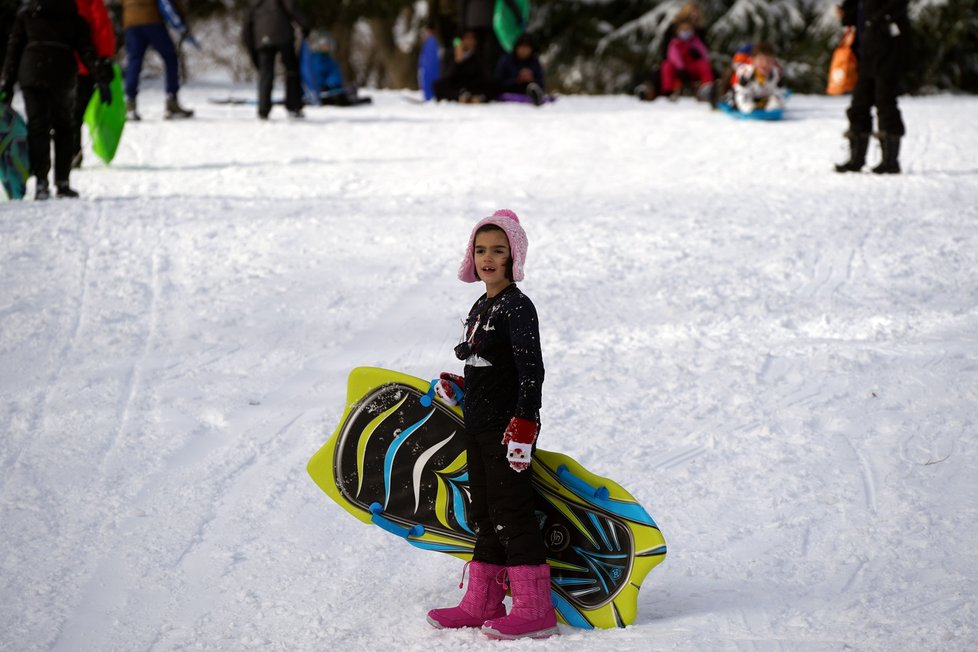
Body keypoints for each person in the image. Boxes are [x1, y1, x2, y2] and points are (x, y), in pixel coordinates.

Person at [426, 209, 558, 641]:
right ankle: (482, 602)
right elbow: (493, 366)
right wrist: (463, 385)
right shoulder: (483, 304)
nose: (487, 258)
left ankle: (535, 609)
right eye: (480, 249)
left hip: (507, 430)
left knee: (512, 512)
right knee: (484, 512)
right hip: (478, 425)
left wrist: (524, 423)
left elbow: (529, 370)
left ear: (512, 257)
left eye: (497, 250)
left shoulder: (518, 307)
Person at [1, 0, 113, 200]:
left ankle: (41, 183)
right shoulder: (73, 16)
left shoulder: (28, 14)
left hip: (32, 73)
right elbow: (87, 51)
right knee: (63, 128)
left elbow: (14, 49)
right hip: (61, 74)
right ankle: (62, 182)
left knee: (37, 128)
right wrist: (101, 79)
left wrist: (7, 84)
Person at [834, 0, 910, 174]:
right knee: (859, 103)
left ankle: (890, 161)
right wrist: (844, 14)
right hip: (864, 51)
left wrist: (877, 21)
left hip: (888, 49)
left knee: (885, 102)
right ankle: (856, 159)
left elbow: (898, 6)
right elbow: (853, 13)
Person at [121, 0, 194, 120]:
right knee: (170, 57)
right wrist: (182, 20)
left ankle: (130, 103)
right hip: (151, 20)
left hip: (131, 23)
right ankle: (172, 100)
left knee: (134, 61)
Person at [242, 0, 309, 120]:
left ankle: (263, 110)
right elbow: (291, 6)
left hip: (261, 38)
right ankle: (293, 106)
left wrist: (252, 47)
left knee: (265, 74)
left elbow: (247, 24)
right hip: (283, 34)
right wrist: (305, 25)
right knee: (291, 70)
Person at [72, 0, 117, 169]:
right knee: (76, 114)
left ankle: (70, 153)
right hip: (86, 66)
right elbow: (102, 28)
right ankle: (73, 154)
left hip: (63, 64)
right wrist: (104, 59)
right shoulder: (92, 2)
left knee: (66, 115)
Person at [301, 30, 371, 107]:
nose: (327, 47)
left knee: (350, 87)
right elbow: (311, 76)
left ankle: (343, 97)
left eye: (329, 44)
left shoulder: (330, 60)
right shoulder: (312, 60)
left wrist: (332, 83)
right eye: (324, 44)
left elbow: (335, 74)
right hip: (318, 90)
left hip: (331, 88)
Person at [660, 17, 716, 102]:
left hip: (692, 67)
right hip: (679, 68)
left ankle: (707, 87)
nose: (686, 32)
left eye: (688, 29)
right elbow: (673, 56)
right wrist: (681, 68)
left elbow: (704, 53)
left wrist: (698, 54)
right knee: (667, 65)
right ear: (677, 31)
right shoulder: (675, 43)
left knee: (703, 64)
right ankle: (669, 91)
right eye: (683, 29)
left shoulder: (695, 41)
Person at [434, 29, 496, 103]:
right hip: (456, 87)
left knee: (492, 85)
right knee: (438, 85)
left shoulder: (479, 55)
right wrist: (457, 62)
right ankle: (461, 97)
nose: (469, 41)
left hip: (473, 86)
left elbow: (485, 76)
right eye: (467, 38)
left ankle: (476, 98)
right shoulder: (450, 54)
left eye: (472, 38)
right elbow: (446, 76)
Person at [730, 42, 787, 113]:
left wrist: (774, 107)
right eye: (760, 60)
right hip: (747, 98)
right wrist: (749, 108)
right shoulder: (746, 75)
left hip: (765, 99)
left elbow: (780, 93)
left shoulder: (777, 75)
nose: (764, 64)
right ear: (753, 61)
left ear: (773, 62)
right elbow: (741, 93)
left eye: (769, 61)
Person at [494, 33, 545, 105]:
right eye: (521, 47)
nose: (523, 50)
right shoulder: (506, 60)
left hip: (528, 89)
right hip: (509, 89)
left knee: (532, 87)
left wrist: (532, 79)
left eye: (527, 47)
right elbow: (498, 81)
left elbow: (541, 83)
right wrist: (517, 79)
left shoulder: (534, 61)